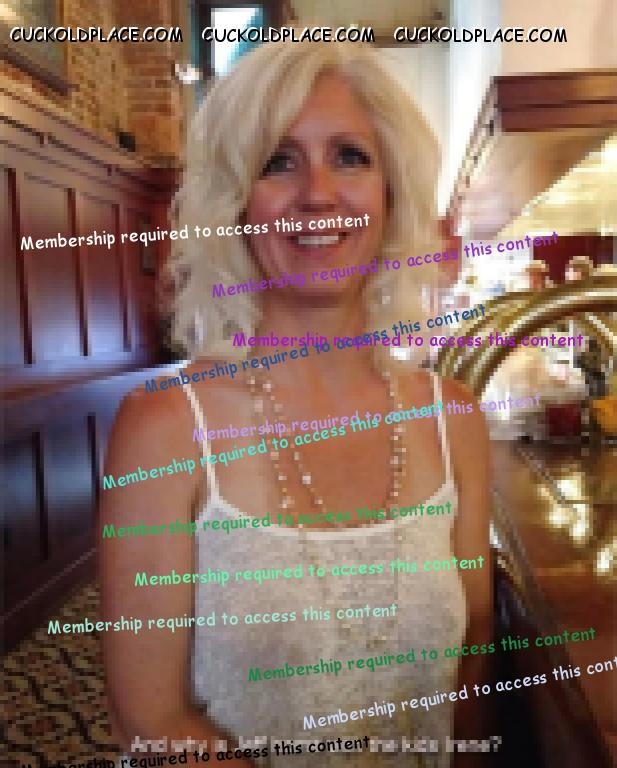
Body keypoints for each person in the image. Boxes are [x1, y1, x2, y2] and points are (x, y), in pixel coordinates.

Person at [100, 41, 492, 767]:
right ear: (236, 204)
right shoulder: (164, 426)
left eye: (350, 157)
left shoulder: (453, 420)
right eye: (278, 161)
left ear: (391, 192)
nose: (318, 193)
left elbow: (473, 654)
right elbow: (150, 721)